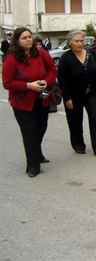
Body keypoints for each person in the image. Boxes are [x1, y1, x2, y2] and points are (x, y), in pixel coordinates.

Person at [2, 27, 57, 177]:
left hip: (41, 100)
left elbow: (53, 71)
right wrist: (29, 86)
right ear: (17, 41)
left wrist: (46, 82)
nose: (28, 40)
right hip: (22, 104)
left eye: (29, 37)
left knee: (41, 128)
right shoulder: (11, 59)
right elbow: (7, 83)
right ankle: (33, 166)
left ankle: (36, 153)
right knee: (29, 133)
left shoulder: (41, 53)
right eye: (24, 38)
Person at [58, 30, 96, 156]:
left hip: (92, 93)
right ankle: (78, 144)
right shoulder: (65, 58)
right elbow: (62, 80)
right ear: (70, 43)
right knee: (75, 122)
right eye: (76, 41)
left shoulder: (90, 53)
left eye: (81, 41)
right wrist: (67, 98)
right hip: (74, 95)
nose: (79, 43)